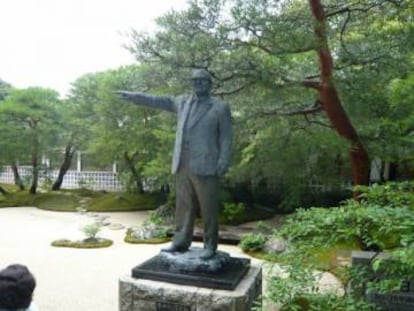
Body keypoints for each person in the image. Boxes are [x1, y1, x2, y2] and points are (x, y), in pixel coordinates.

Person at [117, 68, 233, 259]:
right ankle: (180, 242)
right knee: (183, 205)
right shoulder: (182, 102)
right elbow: (158, 100)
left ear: (209, 84)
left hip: (206, 164)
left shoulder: (219, 107)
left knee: (208, 207)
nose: (198, 84)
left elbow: (226, 137)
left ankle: (210, 246)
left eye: (202, 81)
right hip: (182, 162)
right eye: (195, 81)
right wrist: (136, 96)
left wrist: (223, 160)